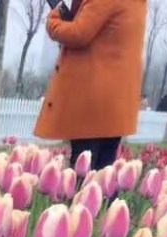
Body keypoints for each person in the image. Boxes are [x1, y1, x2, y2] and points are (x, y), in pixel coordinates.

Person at [35, 0, 148, 171]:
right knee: (104, 170)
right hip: (115, 104)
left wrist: (55, 17)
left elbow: (78, 33)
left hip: (93, 103)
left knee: (84, 168)